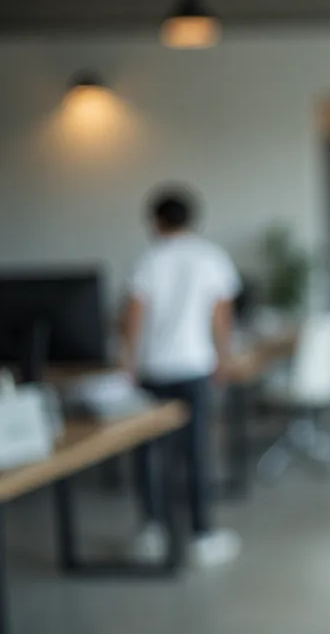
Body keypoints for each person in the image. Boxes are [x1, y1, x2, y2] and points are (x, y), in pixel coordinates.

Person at [121, 185, 241, 568]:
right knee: (195, 451)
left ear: (156, 221)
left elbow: (134, 318)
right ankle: (203, 534)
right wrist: (224, 358)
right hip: (195, 367)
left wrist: (128, 362)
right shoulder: (212, 258)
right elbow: (221, 316)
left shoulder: (149, 260)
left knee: (148, 451)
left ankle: (152, 530)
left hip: (155, 369)